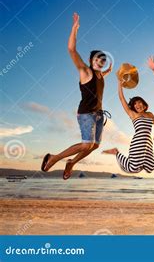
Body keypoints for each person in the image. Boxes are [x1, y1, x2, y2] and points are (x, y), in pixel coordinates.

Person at [41, 12, 112, 180]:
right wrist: (74, 29)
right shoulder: (85, 71)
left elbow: (104, 75)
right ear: (90, 60)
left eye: (102, 61)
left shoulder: (100, 75)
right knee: (86, 144)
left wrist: (114, 72)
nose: (100, 62)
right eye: (97, 59)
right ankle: (54, 158)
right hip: (87, 113)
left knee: (94, 146)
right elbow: (71, 49)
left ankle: (71, 163)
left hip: (99, 115)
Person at [102, 81, 154, 173]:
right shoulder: (133, 114)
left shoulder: (150, 114)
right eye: (135, 104)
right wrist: (119, 84)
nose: (137, 105)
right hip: (137, 143)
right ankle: (116, 152)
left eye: (139, 102)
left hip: (148, 144)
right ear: (133, 107)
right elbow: (121, 99)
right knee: (132, 168)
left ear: (144, 105)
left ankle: (138, 163)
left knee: (151, 168)